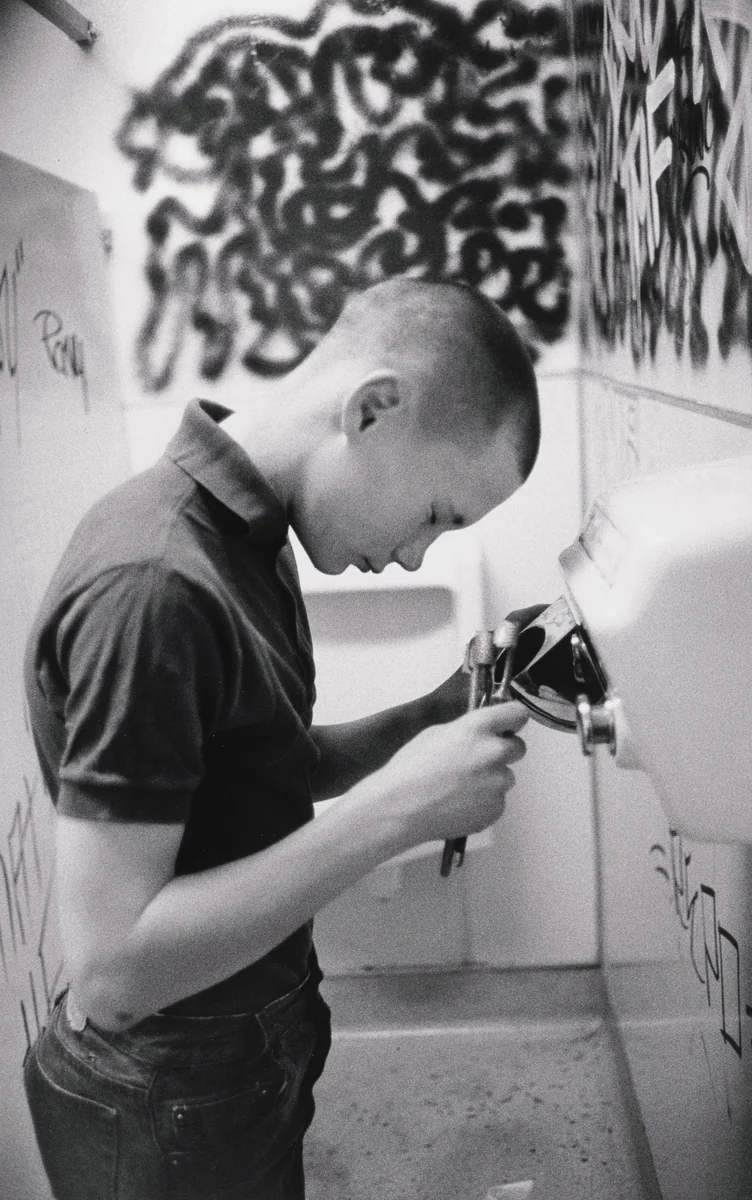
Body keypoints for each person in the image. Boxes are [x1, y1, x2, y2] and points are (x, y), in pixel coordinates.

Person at [23, 278, 539, 1200]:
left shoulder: (245, 535)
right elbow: (112, 970)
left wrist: (427, 716)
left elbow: (253, 771)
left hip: (238, 1052)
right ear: (372, 409)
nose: (417, 555)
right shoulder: (157, 586)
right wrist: (396, 811)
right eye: (435, 514)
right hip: (167, 1092)